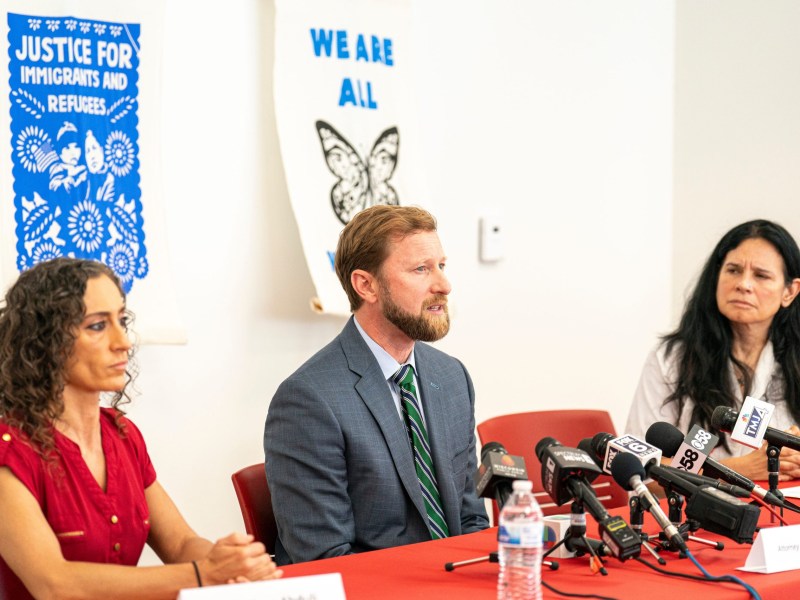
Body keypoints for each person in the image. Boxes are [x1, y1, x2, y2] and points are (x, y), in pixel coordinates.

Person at [0, 258, 282, 599]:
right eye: (97, 326)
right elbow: (55, 585)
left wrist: (232, 565)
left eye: (122, 320)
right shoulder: (10, 449)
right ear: (43, 342)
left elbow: (180, 543)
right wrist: (203, 573)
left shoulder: (121, 434)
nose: (124, 342)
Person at [264, 205, 489, 565]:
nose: (444, 285)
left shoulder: (451, 377)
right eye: (421, 269)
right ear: (365, 285)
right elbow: (326, 558)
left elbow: (469, 519)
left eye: (441, 266)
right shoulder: (307, 400)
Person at [626, 219, 800, 481]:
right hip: (692, 515)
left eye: (761, 275)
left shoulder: (794, 360)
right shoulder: (671, 359)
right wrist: (739, 469)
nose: (744, 284)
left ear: (789, 291)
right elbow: (641, 473)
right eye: (733, 270)